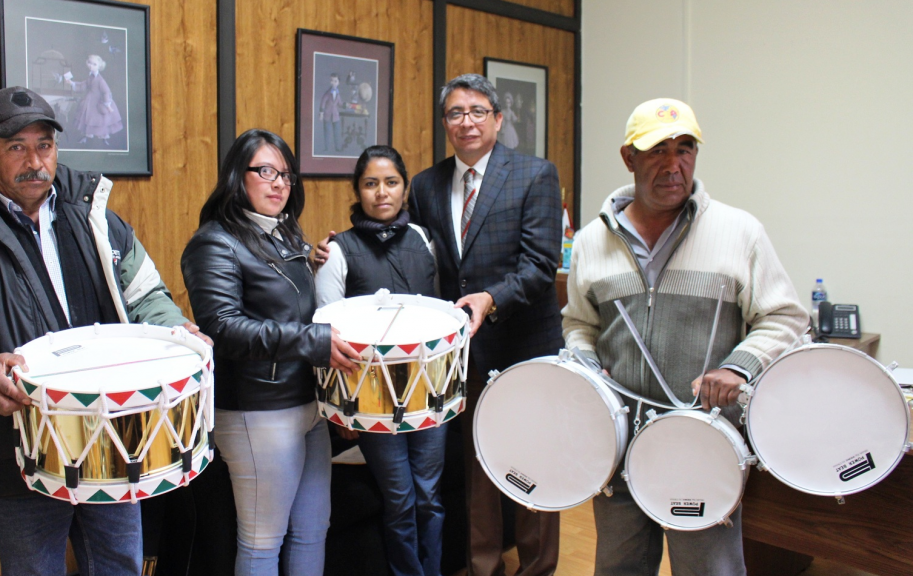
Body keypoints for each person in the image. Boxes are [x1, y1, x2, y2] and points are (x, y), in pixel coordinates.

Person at [0, 86, 208, 576]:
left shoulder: (98, 218)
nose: (34, 160)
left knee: (119, 564)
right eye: (16, 147)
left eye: (44, 145)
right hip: (14, 447)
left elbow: (146, 295)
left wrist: (175, 332)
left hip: (111, 434)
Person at [319, 73, 564, 576]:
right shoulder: (428, 184)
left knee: (534, 462)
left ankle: (537, 569)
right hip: (463, 355)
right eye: (455, 113)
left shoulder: (536, 175)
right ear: (445, 123)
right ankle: (482, 567)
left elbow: (541, 265)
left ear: (498, 119)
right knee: (476, 469)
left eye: (477, 111)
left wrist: (491, 299)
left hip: (524, 345)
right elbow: (397, 242)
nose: (466, 122)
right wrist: (324, 251)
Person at [562, 98, 808, 575]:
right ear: (628, 157)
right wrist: (585, 362)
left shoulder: (740, 232)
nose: (673, 165)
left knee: (709, 570)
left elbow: (784, 317)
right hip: (617, 447)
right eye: (657, 151)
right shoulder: (593, 240)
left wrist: (739, 367)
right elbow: (578, 323)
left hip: (704, 443)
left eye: (685, 149)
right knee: (618, 569)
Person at [180, 128, 360, 576]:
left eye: (285, 174)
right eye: (265, 171)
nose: (279, 183)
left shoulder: (284, 235)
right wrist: (314, 342)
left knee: (313, 530)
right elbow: (223, 328)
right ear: (236, 177)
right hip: (256, 412)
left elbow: (288, 306)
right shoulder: (214, 242)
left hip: (306, 406)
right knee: (263, 544)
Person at [314, 145, 445, 576]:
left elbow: (441, 314)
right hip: (372, 403)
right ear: (357, 190)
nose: (381, 192)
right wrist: (342, 411)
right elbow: (329, 337)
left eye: (391, 182)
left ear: (405, 188)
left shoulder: (425, 240)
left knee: (429, 497)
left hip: (430, 395)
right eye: (371, 183)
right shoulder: (337, 251)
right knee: (401, 499)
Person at [66, 54, 124, 146]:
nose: (91, 65)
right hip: (89, 100)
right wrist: (72, 83)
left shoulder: (101, 80)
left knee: (100, 120)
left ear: (99, 66)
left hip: (98, 102)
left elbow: (106, 92)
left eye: (94, 64)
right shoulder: (91, 76)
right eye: (89, 63)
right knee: (87, 118)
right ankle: (86, 136)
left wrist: (107, 104)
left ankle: (104, 138)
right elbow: (83, 85)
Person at [319, 72, 344, 153]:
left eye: (335, 81)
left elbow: (340, 103)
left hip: (335, 116)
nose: (333, 83)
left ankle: (337, 147)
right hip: (327, 115)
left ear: (338, 82)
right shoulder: (327, 93)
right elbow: (323, 102)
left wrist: (346, 105)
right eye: (332, 81)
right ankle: (326, 148)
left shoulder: (338, 93)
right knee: (327, 132)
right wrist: (321, 113)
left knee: (337, 133)